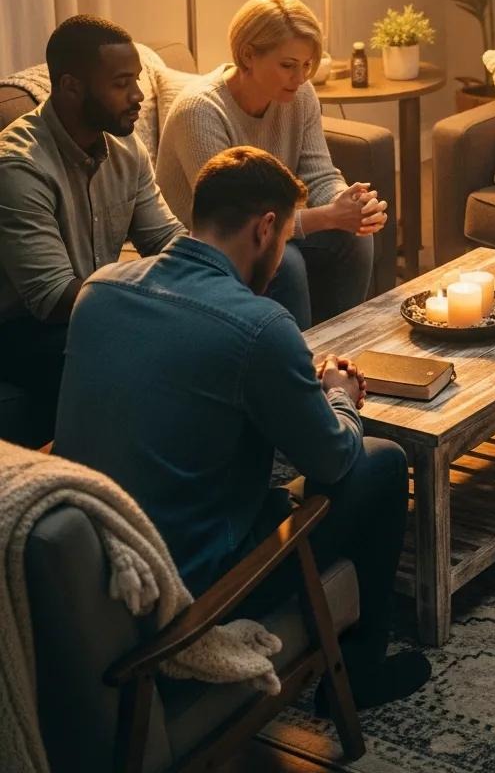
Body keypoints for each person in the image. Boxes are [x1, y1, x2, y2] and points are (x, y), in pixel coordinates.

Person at [53, 146, 430, 707]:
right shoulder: (259, 324)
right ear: (266, 228)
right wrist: (339, 398)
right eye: (280, 247)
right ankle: (358, 673)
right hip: (188, 592)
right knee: (380, 461)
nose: (279, 263)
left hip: (89, 574)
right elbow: (332, 460)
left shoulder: (99, 289)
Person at [0, 15, 184, 447]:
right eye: (122, 83)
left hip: (94, 305)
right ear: (70, 87)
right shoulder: (19, 167)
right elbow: (52, 297)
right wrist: (154, 295)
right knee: (140, 351)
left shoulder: (125, 143)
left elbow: (164, 238)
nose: (139, 95)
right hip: (24, 329)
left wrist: (213, 270)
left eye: (136, 80)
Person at [156, 0, 387, 331]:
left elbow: (318, 173)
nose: (301, 77)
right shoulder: (201, 112)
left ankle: (340, 347)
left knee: (354, 236)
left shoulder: (299, 95)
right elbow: (241, 226)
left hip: (268, 228)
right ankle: (295, 366)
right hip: (208, 243)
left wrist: (348, 203)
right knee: (285, 262)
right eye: (288, 65)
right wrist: (329, 216)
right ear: (248, 55)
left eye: (307, 65)